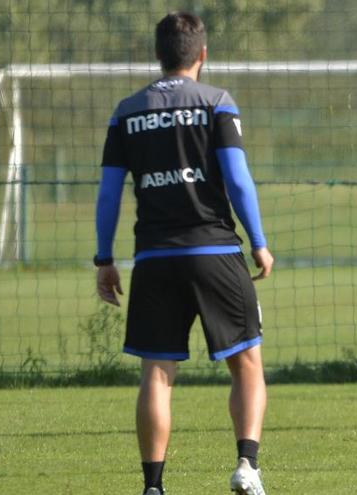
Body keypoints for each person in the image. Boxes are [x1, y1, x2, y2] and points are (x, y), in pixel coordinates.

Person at [94, 12, 272, 494]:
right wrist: (258, 240)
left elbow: (109, 193)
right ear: (202, 54)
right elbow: (237, 178)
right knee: (247, 363)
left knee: (157, 372)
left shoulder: (126, 112)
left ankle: (153, 486)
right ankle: (246, 466)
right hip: (214, 249)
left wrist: (104, 258)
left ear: (159, 55)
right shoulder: (216, 102)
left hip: (153, 257)